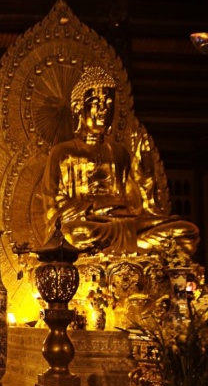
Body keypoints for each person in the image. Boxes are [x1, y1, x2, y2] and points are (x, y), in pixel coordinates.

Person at [41, 66, 199, 255]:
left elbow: (138, 209)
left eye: (109, 103)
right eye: (95, 102)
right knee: (73, 233)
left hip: (126, 226)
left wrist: (144, 176)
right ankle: (137, 248)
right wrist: (98, 209)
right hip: (89, 226)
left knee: (187, 232)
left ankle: (126, 248)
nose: (103, 110)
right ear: (77, 108)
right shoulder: (62, 152)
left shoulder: (120, 153)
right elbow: (53, 208)